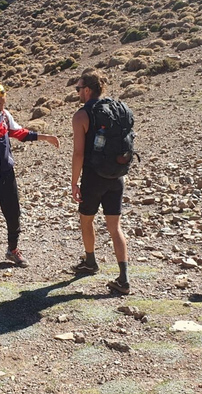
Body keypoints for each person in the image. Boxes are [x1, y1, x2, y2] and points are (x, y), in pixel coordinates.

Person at [0, 82, 60, 279]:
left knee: (14, 215)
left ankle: (12, 250)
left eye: (3, 104)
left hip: (7, 174)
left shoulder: (5, 116)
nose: (1, 108)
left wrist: (44, 137)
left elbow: (19, 133)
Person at [70, 70, 131, 295]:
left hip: (93, 178)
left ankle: (90, 261)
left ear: (87, 90)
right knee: (115, 228)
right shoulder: (116, 110)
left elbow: (78, 154)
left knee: (86, 220)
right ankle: (124, 278)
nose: (77, 92)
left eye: (78, 89)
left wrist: (74, 183)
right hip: (116, 176)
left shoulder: (82, 115)